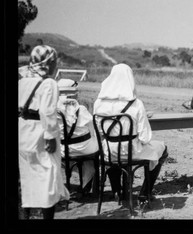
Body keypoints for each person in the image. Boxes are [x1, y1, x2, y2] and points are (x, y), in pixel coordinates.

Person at [93, 63, 168, 204]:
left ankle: (117, 191)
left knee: (112, 154)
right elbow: (145, 137)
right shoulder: (136, 104)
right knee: (162, 149)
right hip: (131, 151)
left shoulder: (98, 103)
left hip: (109, 152)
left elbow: (100, 132)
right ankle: (145, 193)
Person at [18, 45, 70, 219]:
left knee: (28, 178)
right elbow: (47, 112)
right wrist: (50, 137)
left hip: (23, 132)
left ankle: (26, 215)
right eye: (54, 61)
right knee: (49, 179)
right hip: (41, 133)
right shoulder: (48, 83)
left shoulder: (22, 80)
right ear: (49, 62)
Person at [57, 96, 99, 193]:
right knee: (93, 152)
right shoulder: (81, 109)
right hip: (84, 148)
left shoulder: (54, 111)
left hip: (63, 149)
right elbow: (92, 129)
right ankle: (88, 181)